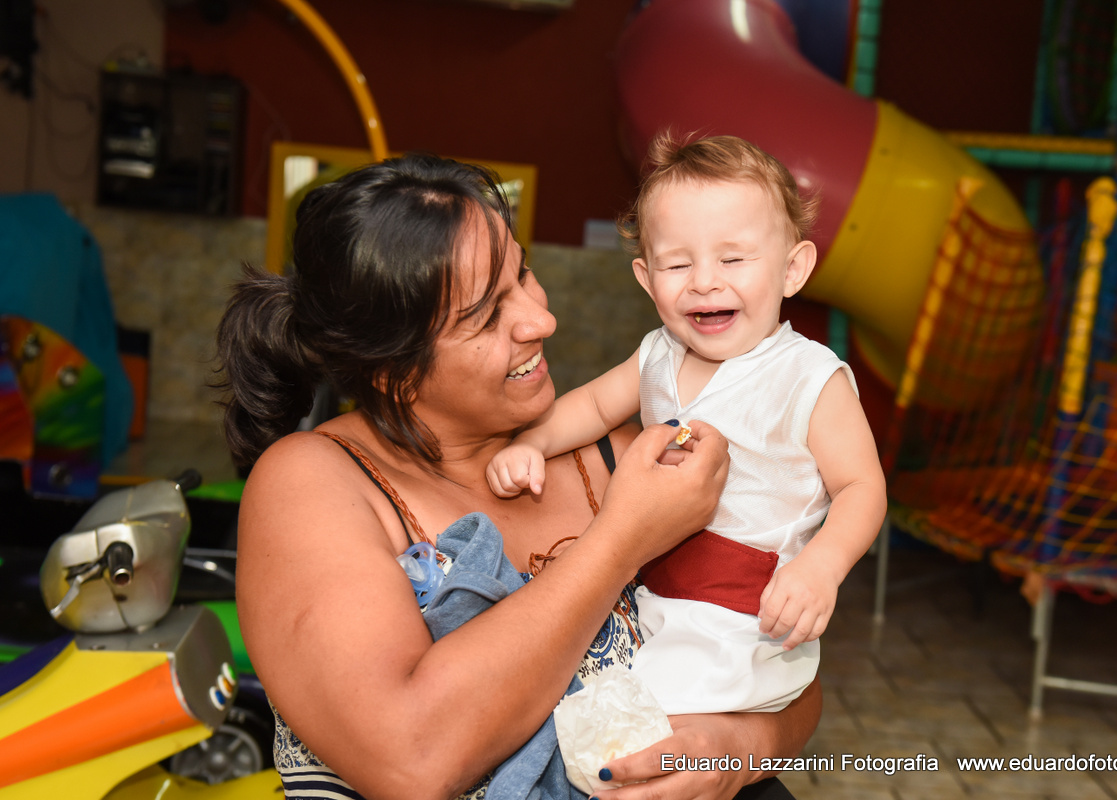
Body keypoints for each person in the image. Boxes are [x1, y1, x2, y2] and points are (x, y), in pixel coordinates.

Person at [216, 153, 823, 800]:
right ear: (391, 369)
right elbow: (410, 759)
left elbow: (788, 672)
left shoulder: (630, 456)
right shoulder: (316, 486)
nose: (541, 320)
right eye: (485, 314)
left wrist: (734, 751)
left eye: (523, 273)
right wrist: (622, 540)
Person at [487, 134, 887, 717]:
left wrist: (821, 567)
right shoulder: (657, 353)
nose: (704, 281)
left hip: (747, 617)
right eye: (679, 263)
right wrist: (532, 442)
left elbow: (861, 486)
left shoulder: (809, 376)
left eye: (733, 259)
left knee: (654, 725)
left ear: (792, 269)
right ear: (649, 280)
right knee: (588, 712)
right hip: (657, 589)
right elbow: (595, 407)